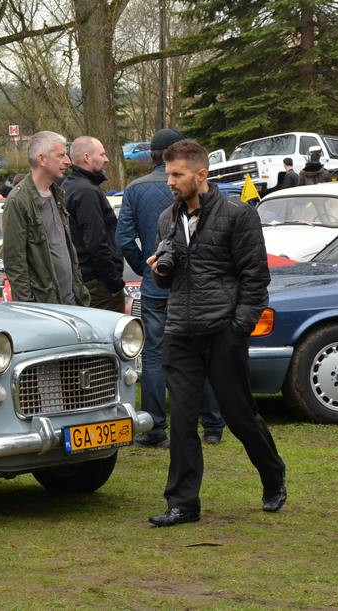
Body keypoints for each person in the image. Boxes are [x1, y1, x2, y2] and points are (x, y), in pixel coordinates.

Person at [145, 139, 286, 527]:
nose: (170, 182)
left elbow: (255, 278)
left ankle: (273, 474)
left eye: (178, 175)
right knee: (183, 419)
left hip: (223, 331)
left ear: (201, 175)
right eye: (168, 174)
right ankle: (183, 503)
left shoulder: (238, 216)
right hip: (180, 332)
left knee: (240, 416)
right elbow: (170, 280)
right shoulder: (166, 219)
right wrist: (161, 268)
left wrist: (238, 327)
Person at [116, 128, 225, 448]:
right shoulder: (197, 186)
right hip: (194, 285)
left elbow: (123, 238)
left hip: (156, 286)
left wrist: (143, 268)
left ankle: (155, 427)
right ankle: (213, 424)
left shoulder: (135, 190)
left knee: (154, 356)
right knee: (202, 352)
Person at [2, 131, 89, 306]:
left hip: (72, 303)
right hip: (46, 309)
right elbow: (15, 264)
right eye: (61, 155)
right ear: (42, 159)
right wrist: (30, 311)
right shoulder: (18, 201)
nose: (68, 161)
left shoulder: (57, 194)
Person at [61, 136, 124, 312]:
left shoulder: (71, 186)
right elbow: (96, 241)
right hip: (98, 284)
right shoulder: (86, 192)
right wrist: (114, 282)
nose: (107, 159)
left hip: (87, 279)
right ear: (87, 157)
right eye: (102, 154)